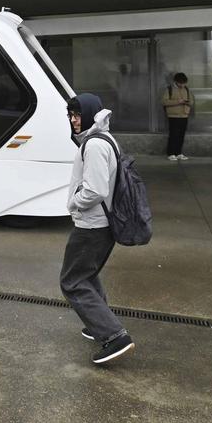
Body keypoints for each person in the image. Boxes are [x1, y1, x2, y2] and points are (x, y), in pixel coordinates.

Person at [61, 93, 135, 365]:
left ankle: (114, 336)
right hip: (103, 223)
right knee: (87, 274)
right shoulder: (105, 138)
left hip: (92, 225)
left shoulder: (93, 145)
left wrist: (73, 203)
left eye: (77, 114)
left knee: (72, 281)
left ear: (91, 114)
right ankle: (98, 325)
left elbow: (95, 190)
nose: (73, 120)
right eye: (70, 115)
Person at [162, 72, 193, 161]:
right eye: (181, 83)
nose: (182, 85)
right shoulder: (169, 89)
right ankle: (171, 153)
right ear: (176, 81)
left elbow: (191, 101)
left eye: (184, 83)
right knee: (173, 135)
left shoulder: (186, 89)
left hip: (184, 115)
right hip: (173, 116)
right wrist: (178, 102)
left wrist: (187, 102)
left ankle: (178, 153)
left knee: (181, 135)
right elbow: (164, 102)